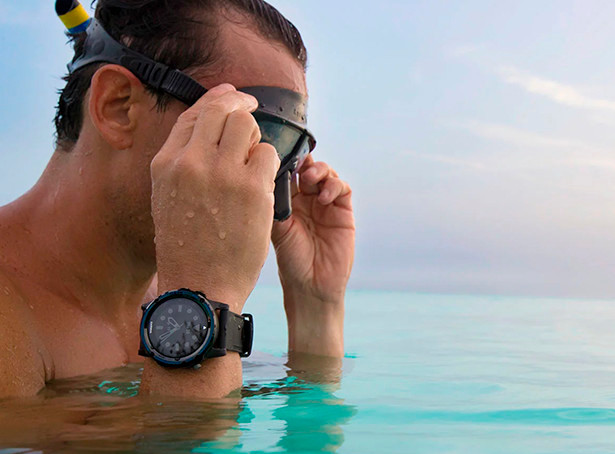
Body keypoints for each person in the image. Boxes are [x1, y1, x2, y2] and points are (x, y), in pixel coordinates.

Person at [0, 0, 354, 398]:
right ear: (118, 107)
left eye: (288, 151)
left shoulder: (156, 298)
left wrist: (316, 306)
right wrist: (204, 297)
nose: (266, 183)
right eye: (248, 130)